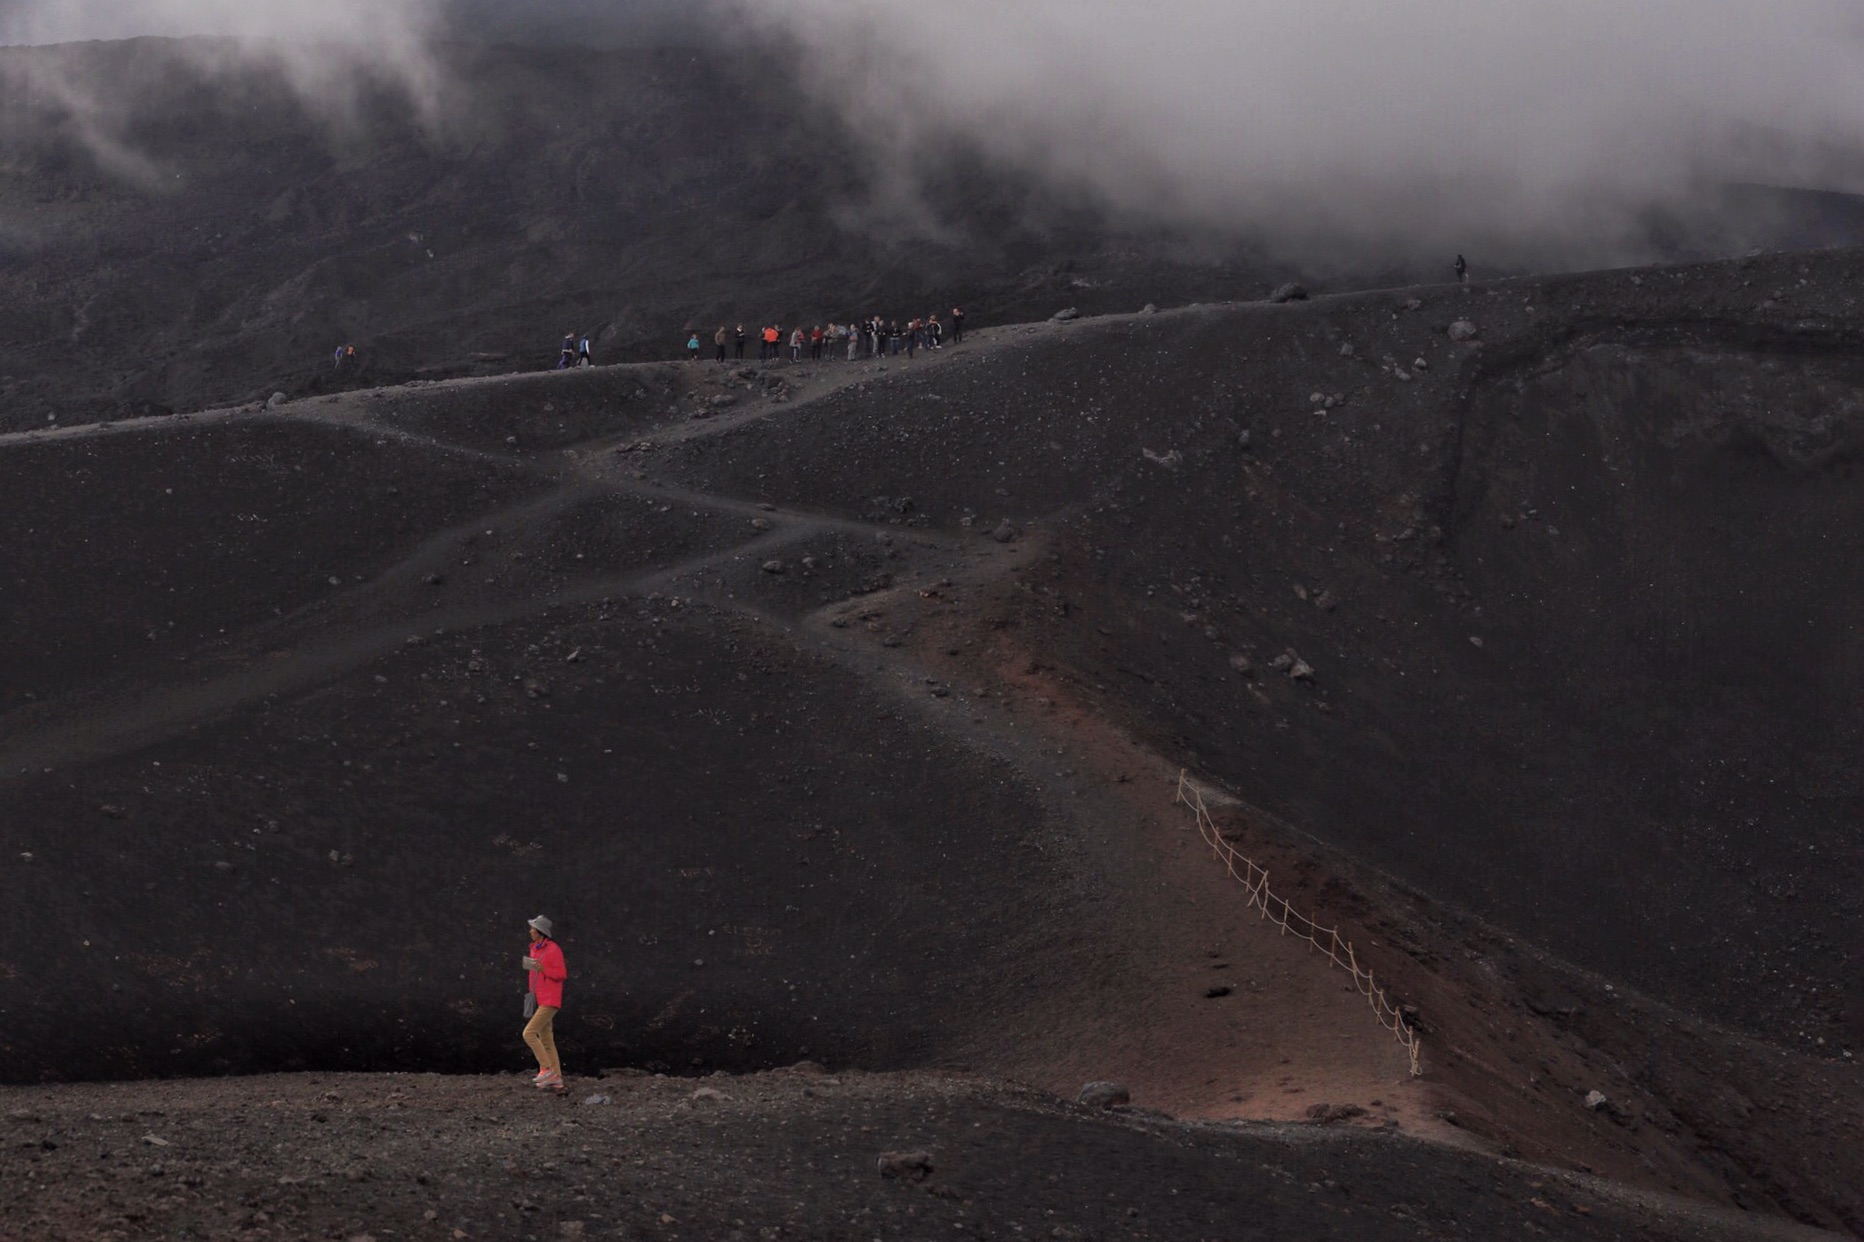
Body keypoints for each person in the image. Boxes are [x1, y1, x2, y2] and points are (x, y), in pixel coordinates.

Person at [522, 916, 569, 1091]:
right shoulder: (535, 949)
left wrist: (544, 969)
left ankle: (546, 1069)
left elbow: (561, 974)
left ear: (540, 932)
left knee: (529, 1033)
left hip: (550, 999)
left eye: (533, 929)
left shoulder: (553, 949)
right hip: (542, 998)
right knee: (547, 1039)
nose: (530, 931)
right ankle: (556, 1078)